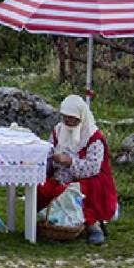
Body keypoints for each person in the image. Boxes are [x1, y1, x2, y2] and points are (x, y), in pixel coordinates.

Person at [37, 95, 118, 245]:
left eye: (72, 117)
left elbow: (93, 167)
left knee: (76, 191)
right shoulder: (58, 130)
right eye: (65, 117)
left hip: (86, 177)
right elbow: (49, 151)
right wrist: (49, 160)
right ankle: (51, 222)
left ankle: (92, 225)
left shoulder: (93, 137)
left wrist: (69, 162)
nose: (68, 121)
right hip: (60, 175)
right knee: (41, 187)